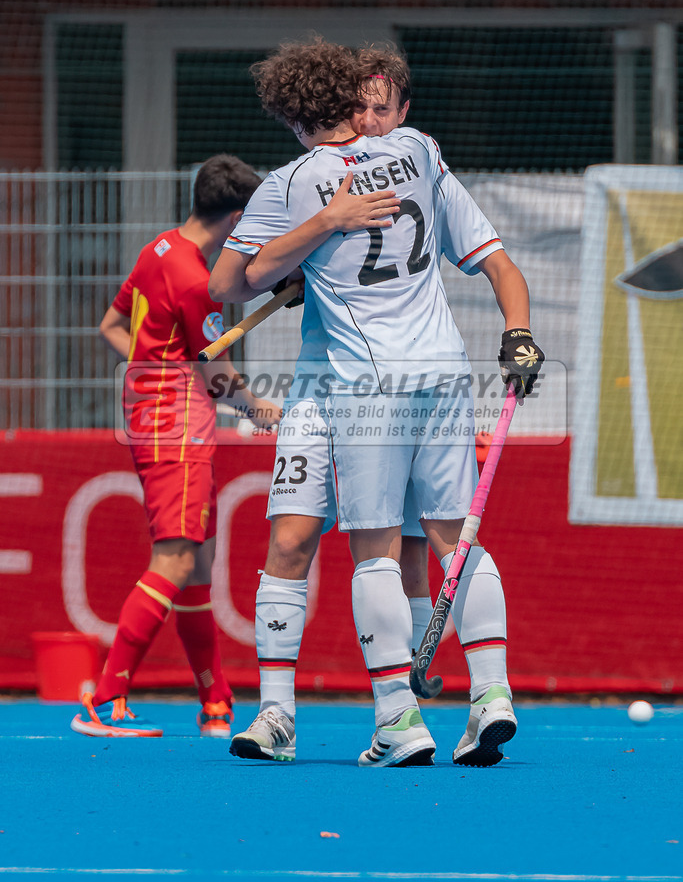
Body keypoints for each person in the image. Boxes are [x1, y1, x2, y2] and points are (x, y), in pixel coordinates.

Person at [209, 41, 544, 766]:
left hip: (366, 384)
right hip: (416, 375)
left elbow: (228, 283)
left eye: (380, 105)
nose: (371, 115)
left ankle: (398, 715)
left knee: (377, 552)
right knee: (437, 538)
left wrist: (319, 230)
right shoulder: (420, 150)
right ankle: (477, 695)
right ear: (344, 102)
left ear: (289, 114)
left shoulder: (294, 181)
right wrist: (309, 263)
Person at [71, 154, 281, 738]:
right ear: (237, 216)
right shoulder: (197, 280)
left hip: (152, 415)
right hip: (177, 427)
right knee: (177, 558)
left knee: (198, 565)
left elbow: (112, 326)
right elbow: (216, 376)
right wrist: (265, 410)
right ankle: (103, 699)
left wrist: (155, 370)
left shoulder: (158, 248)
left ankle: (215, 702)